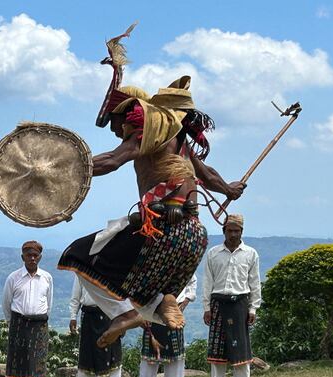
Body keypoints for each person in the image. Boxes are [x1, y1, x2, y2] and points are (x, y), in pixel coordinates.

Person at [58, 27, 245, 348]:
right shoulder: (182, 142)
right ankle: (164, 300)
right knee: (148, 289)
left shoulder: (144, 135)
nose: (116, 131)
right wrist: (228, 189)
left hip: (160, 232)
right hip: (193, 239)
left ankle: (124, 313)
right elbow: (210, 177)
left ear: (128, 114)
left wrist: (68, 169)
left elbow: (113, 160)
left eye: (117, 124)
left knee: (77, 255)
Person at [202, 214, 261, 377]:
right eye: (230, 230)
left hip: (240, 304)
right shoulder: (213, 253)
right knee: (217, 347)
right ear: (224, 231)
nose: (233, 234)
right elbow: (207, 282)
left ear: (242, 231)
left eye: (237, 231)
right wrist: (206, 308)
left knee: (240, 346)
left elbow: (254, 283)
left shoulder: (250, 254)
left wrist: (253, 308)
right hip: (218, 303)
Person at [2, 241, 54, 377]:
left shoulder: (47, 278)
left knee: (38, 362)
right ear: (22, 257)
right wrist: (14, 322)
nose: (32, 258)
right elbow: (6, 303)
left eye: (35, 255)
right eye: (28, 255)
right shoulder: (13, 277)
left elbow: (49, 303)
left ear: (40, 257)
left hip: (39, 324)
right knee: (16, 362)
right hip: (19, 324)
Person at [68, 274, 127, 377]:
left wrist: (124, 321)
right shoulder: (82, 269)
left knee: (112, 355)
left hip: (111, 316)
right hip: (89, 316)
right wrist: (73, 316)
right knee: (87, 355)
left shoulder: (114, 268)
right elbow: (75, 296)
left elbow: (122, 297)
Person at [139, 274, 197, 377]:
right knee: (149, 349)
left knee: (173, 350)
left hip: (176, 308)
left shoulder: (184, 261)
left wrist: (186, 299)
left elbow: (192, 280)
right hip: (152, 307)